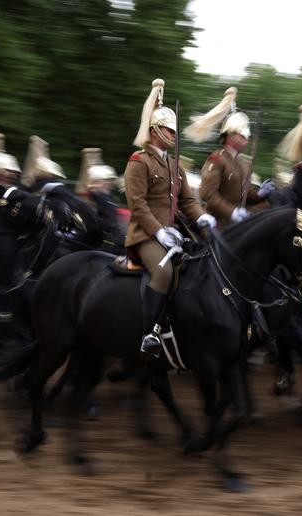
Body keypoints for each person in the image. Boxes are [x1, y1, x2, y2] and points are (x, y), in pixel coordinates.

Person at [124, 78, 216, 361]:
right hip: (144, 235)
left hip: (172, 233)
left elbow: (188, 201)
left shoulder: (175, 166)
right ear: (154, 131)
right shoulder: (139, 161)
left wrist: (203, 218)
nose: (173, 135)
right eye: (167, 129)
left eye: (174, 131)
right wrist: (158, 232)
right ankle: (149, 333)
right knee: (163, 271)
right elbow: (137, 204)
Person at [184, 87, 275, 230]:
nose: (247, 138)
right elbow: (207, 193)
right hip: (217, 227)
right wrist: (231, 212)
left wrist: (260, 193)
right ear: (231, 135)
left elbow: (247, 194)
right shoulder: (217, 159)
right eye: (242, 135)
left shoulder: (244, 164)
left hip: (239, 226)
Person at [76, 148, 124, 253]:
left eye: (109, 181)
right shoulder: (97, 197)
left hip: (113, 236)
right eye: (107, 181)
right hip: (101, 241)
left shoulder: (107, 196)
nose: (110, 183)